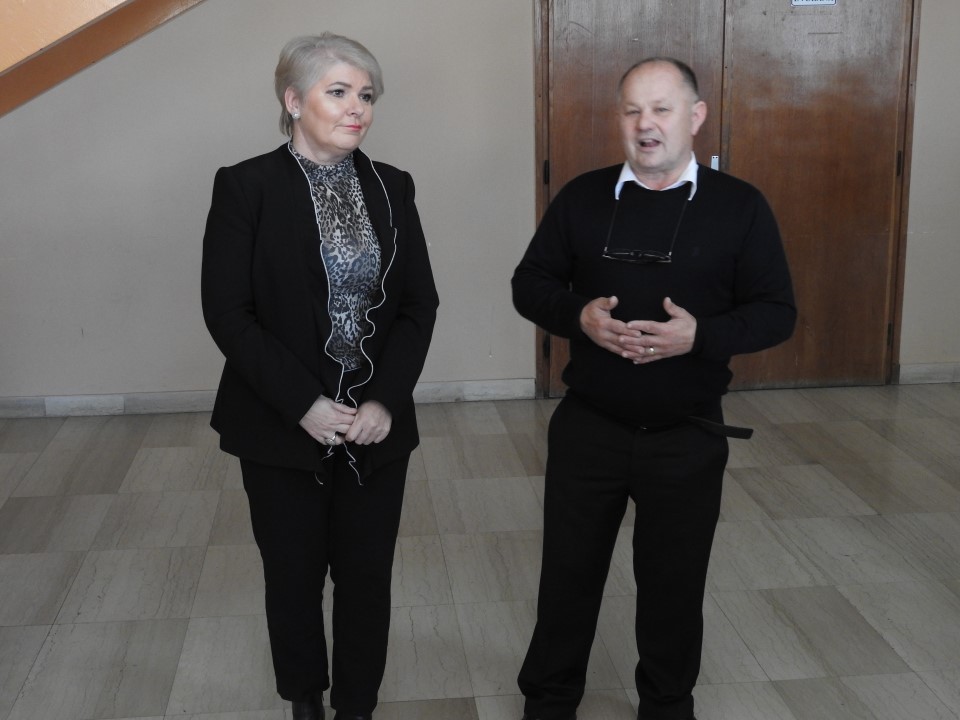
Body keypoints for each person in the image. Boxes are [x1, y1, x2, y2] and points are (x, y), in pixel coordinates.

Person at [511, 58, 796, 720]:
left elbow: (777, 313)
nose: (647, 124)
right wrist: (578, 316)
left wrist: (702, 336)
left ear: (695, 117)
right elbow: (530, 283)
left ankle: (667, 707)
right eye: (633, 110)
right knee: (567, 580)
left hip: (687, 436)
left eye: (662, 109)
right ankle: (548, 704)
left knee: (673, 589)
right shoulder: (583, 197)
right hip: (589, 427)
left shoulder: (740, 206)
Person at [201, 34, 438, 720]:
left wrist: (385, 400)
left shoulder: (393, 185)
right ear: (293, 100)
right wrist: (303, 403)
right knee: (293, 576)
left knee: (367, 578)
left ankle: (356, 707)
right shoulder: (246, 186)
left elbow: (418, 305)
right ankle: (305, 699)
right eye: (338, 92)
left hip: (374, 427)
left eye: (366, 95)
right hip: (279, 423)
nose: (357, 107)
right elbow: (228, 312)